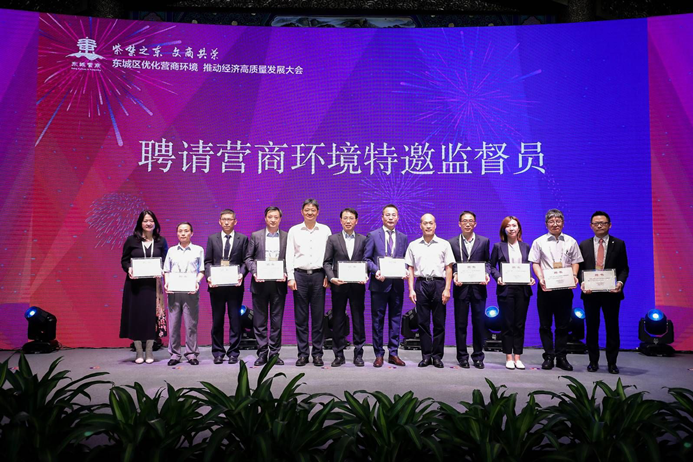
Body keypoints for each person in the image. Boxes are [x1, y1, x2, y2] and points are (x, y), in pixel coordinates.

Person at [529, 209, 583, 371]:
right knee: (545, 325)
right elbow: (535, 263)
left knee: (563, 325)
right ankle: (548, 356)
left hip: (564, 288)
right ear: (546, 224)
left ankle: (561, 357)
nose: (555, 224)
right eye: (551, 221)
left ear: (563, 223)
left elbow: (576, 261)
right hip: (546, 288)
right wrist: (541, 278)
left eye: (558, 221)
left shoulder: (571, 241)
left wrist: (574, 275)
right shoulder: (539, 242)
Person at [579, 211, 629, 374]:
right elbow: (579, 269)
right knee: (591, 328)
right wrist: (582, 282)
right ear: (591, 226)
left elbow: (624, 268)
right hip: (590, 293)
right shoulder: (584, 245)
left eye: (603, 223)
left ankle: (612, 363)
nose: (599, 226)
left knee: (612, 327)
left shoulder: (618, 243)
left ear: (609, 225)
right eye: (596, 223)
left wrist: (620, 283)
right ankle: (593, 362)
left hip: (611, 293)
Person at [286, 199, 332, 367]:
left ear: (318, 212)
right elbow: (289, 255)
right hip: (300, 276)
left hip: (319, 276)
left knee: (318, 317)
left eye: (313, 210)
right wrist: (290, 277)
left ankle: (318, 354)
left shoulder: (325, 230)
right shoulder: (294, 230)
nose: (310, 213)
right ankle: (303, 354)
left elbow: (329, 256)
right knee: (301, 318)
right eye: (307, 210)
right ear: (302, 212)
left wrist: (328, 275)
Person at [406, 214, 454, 368]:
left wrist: (447, 289)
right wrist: (411, 289)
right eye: (425, 223)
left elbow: (449, 268)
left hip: (439, 284)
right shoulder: (413, 245)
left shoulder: (444, 244)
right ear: (420, 225)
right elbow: (410, 268)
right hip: (421, 284)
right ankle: (426, 356)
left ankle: (437, 356)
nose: (428, 226)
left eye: (431, 223)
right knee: (423, 323)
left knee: (439, 323)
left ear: (435, 225)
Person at [120, 210, 168, 364]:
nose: (148, 223)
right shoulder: (131, 240)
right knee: (136, 316)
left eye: (151, 220)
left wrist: (162, 270)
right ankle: (138, 351)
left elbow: (166, 261)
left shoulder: (161, 241)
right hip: (135, 285)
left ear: (155, 223)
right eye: (145, 221)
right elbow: (124, 260)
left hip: (153, 286)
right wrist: (129, 269)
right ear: (140, 223)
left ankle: (149, 350)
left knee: (150, 318)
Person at [365, 204, 409, 367]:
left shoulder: (403, 237)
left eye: (393, 215)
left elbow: (405, 260)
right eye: (387, 215)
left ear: (398, 218)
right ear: (382, 217)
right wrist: (376, 270)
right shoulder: (373, 235)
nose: (391, 217)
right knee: (377, 320)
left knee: (395, 319)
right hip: (379, 285)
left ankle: (394, 353)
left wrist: (405, 270)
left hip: (397, 285)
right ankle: (378, 354)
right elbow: (366, 259)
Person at [323, 208, 368, 367]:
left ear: (356, 221)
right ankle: (338, 355)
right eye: (345, 218)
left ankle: (359, 354)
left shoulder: (363, 239)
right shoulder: (332, 239)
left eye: (351, 218)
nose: (348, 221)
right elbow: (327, 262)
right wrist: (332, 278)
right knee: (338, 320)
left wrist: (365, 274)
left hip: (357, 286)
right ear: (341, 221)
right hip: (339, 286)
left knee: (358, 320)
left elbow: (366, 260)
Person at [489, 216, 535, 370]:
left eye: (514, 225)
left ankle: (518, 357)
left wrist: (530, 278)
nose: (511, 228)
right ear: (504, 229)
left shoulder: (526, 246)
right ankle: (508, 356)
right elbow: (491, 266)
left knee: (519, 324)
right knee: (507, 324)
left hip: (522, 289)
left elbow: (527, 267)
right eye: (508, 226)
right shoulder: (498, 246)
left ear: (519, 228)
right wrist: (498, 277)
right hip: (506, 289)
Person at [244, 206, 288, 366]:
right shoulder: (256, 236)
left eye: (276, 217)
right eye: (270, 217)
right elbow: (248, 258)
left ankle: (274, 354)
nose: (273, 220)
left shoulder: (286, 236)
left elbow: (290, 258)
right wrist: (255, 272)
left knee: (276, 322)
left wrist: (285, 272)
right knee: (260, 322)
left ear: (280, 219)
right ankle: (262, 353)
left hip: (278, 285)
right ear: (265, 218)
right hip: (260, 284)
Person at [204, 209, 248, 365]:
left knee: (235, 320)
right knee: (217, 320)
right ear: (219, 221)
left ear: (235, 221)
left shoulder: (242, 239)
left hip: (235, 286)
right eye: (224, 219)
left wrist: (241, 274)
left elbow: (245, 261)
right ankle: (218, 352)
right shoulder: (212, 239)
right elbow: (208, 262)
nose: (227, 222)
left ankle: (234, 352)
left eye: (230, 219)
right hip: (216, 286)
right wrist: (209, 277)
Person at [448, 211, 491, 369]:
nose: (467, 223)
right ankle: (462, 357)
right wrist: (455, 274)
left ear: (475, 223)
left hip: (479, 288)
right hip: (461, 289)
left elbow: (487, 262)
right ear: (459, 224)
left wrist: (486, 274)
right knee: (461, 324)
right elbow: (451, 264)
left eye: (470, 221)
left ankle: (478, 356)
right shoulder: (452, 243)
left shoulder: (484, 241)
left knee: (479, 324)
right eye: (464, 221)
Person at [163, 222, 204, 366]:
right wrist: (167, 283)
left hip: (191, 291)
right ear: (177, 233)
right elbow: (166, 270)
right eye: (180, 231)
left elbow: (201, 270)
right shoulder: (171, 251)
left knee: (191, 324)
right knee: (174, 325)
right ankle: (174, 354)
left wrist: (197, 282)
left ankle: (191, 353)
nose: (183, 233)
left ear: (191, 233)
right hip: (174, 291)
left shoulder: (198, 250)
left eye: (186, 231)